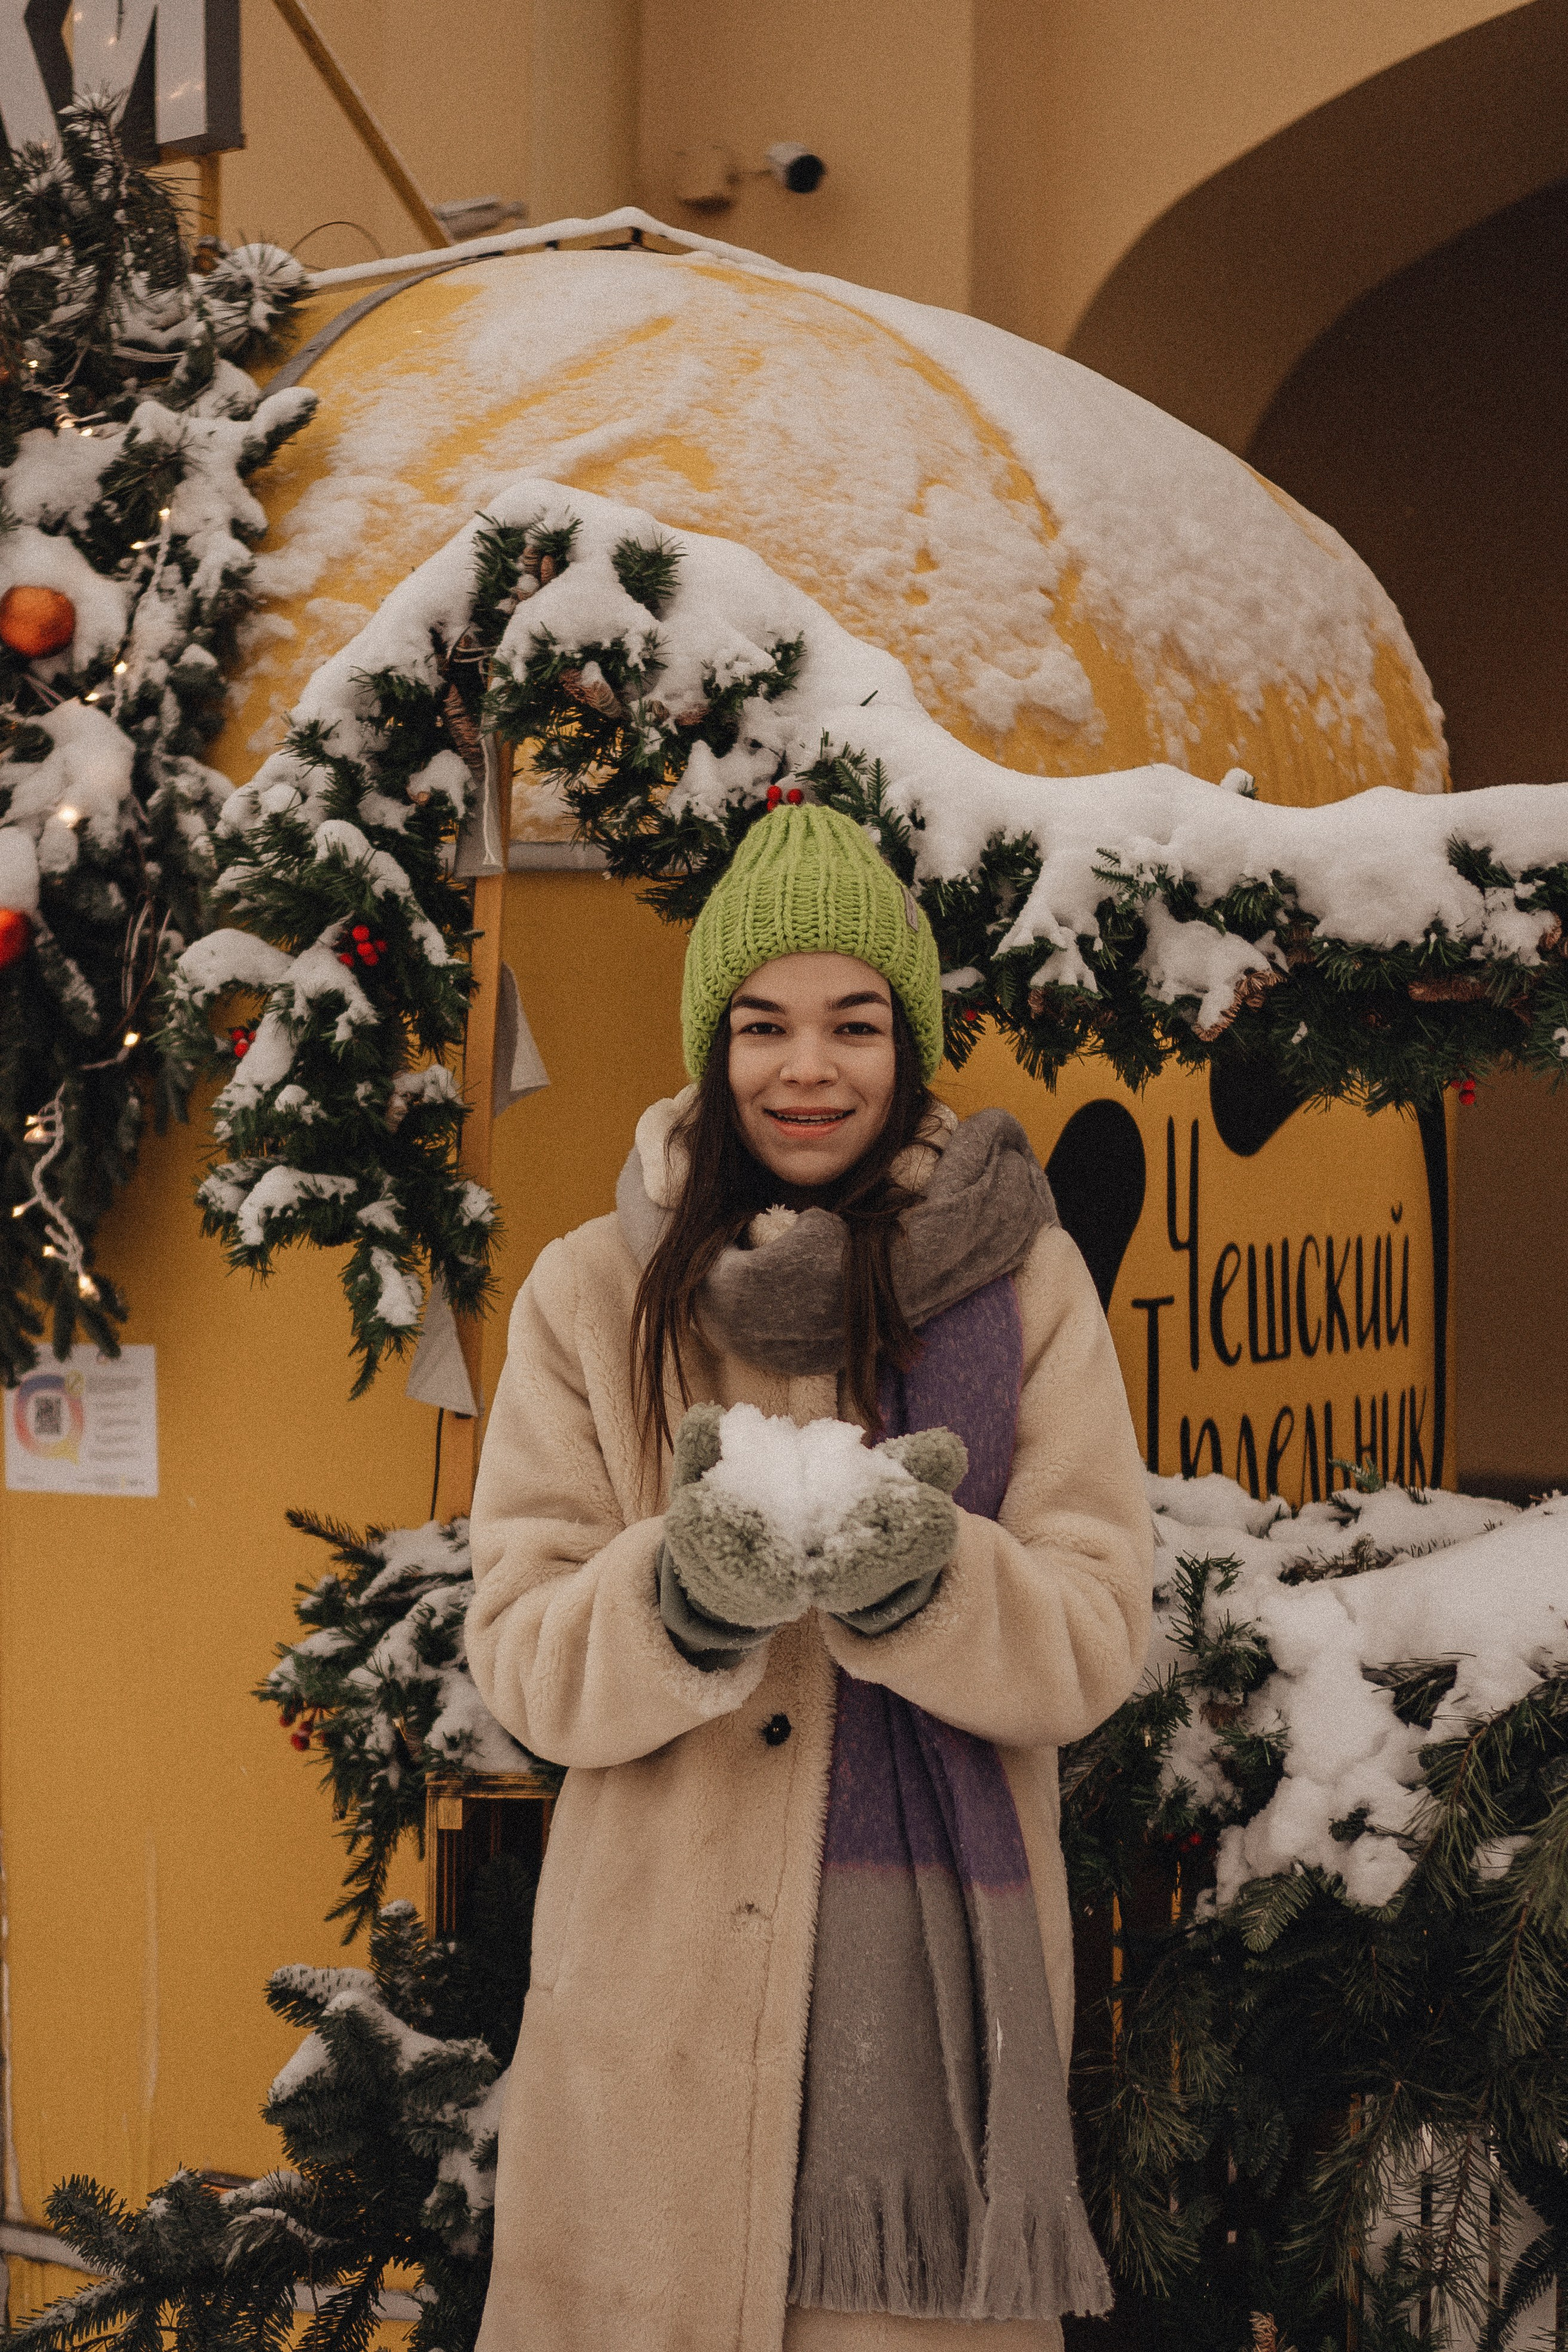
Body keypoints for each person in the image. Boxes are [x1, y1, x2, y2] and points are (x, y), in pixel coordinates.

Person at [466, 802, 1154, 2352]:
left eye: (854, 1024)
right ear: (714, 1047)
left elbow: (1097, 1630)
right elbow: (518, 1652)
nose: (807, 1068)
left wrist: (935, 1583)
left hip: (920, 2048)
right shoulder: (591, 1293)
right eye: (763, 1025)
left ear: (906, 1046)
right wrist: (676, 1596)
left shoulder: (1023, 1283)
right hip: (650, 2030)